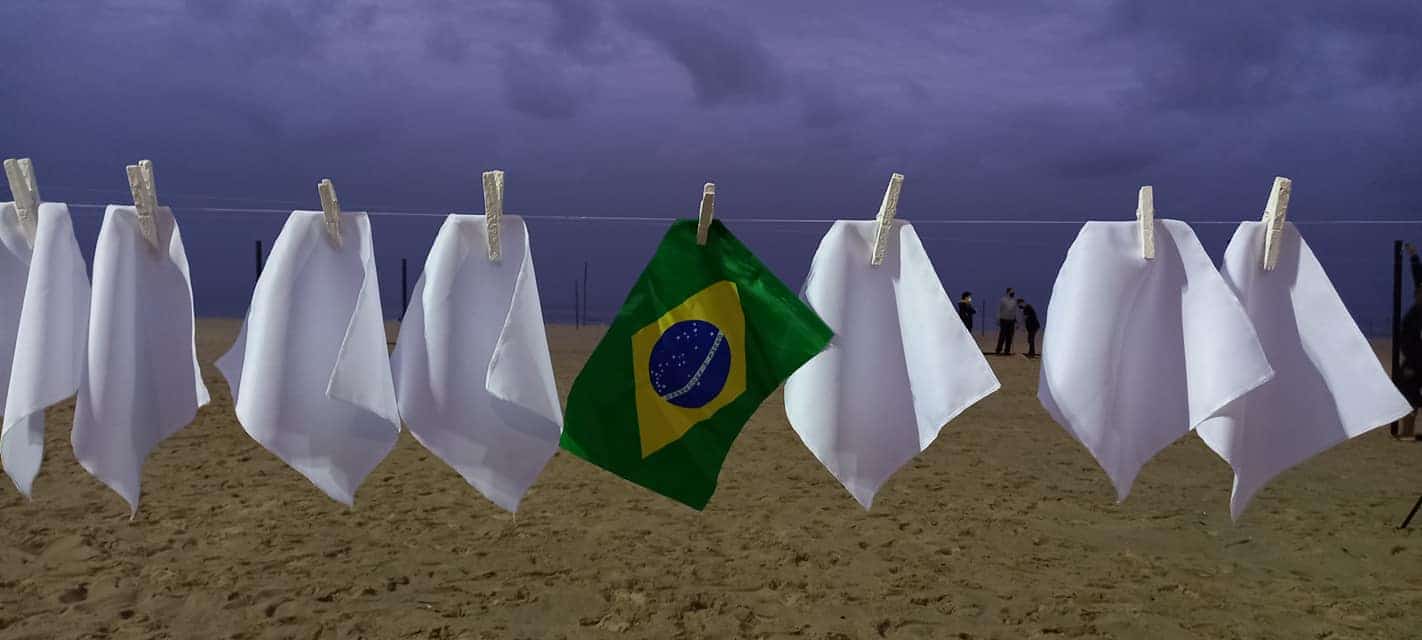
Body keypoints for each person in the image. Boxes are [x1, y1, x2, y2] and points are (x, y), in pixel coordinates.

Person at [1396, 243, 1422, 439]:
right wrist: (1413, 258)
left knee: (1408, 385)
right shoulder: (1414, 315)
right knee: (1405, 388)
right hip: (1415, 360)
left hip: (1417, 361)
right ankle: (1407, 431)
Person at [994, 288, 1017, 355]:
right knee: (1002, 336)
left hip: (1011, 320)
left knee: (1009, 337)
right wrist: (998, 319)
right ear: (1007, 292)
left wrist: (1016, 320)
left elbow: (1015, 311)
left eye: (1013, 292)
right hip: (1004, 320)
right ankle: (998, 350)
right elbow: (1000, 310)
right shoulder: (1003, 300)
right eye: (1011, 292)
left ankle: (1007, 351)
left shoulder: (1014, 301)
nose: (1013, 293)